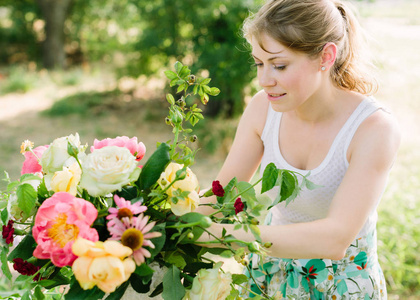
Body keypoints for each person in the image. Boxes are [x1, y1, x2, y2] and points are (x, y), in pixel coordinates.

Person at [197, 0, 401, 299]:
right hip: (270, 270)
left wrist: (224, 236)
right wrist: (163, 224)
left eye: (279, 65)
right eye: (259, 64)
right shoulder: (262, 109)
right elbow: (221, 195)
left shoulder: (373, 129)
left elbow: (335, 239)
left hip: (341, 284)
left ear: (326, 57)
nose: (264, 80)